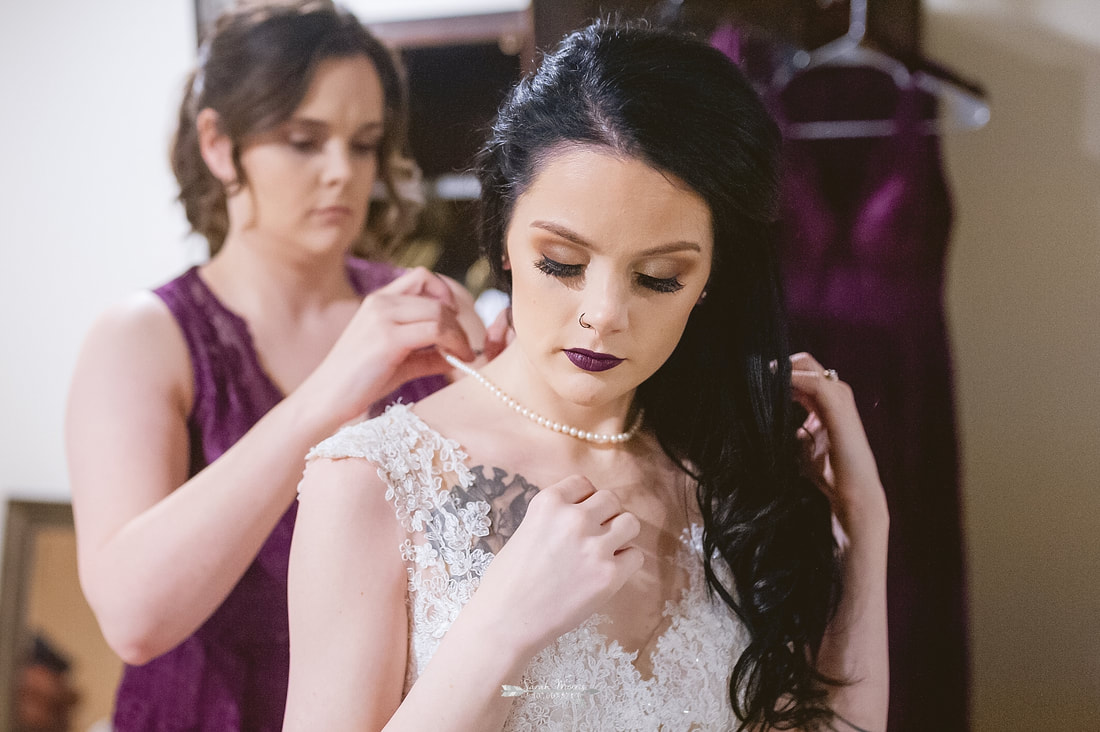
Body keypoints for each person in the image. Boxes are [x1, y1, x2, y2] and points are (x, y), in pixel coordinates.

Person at [285, 19, 889, 732]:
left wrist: (866, 533)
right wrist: (497, 634)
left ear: (709, 282)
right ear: (506, 237)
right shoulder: (375, 482)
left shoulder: (728, 471)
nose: (603, 315)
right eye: (563, 264)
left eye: (658, 277)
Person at [64, 2, 492, 729]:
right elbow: (135, 618)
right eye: (303, 141)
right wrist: (327, 396)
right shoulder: (144, 337)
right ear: (219, 145)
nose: (341, 173)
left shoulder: (430, 309)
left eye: (363, 144)